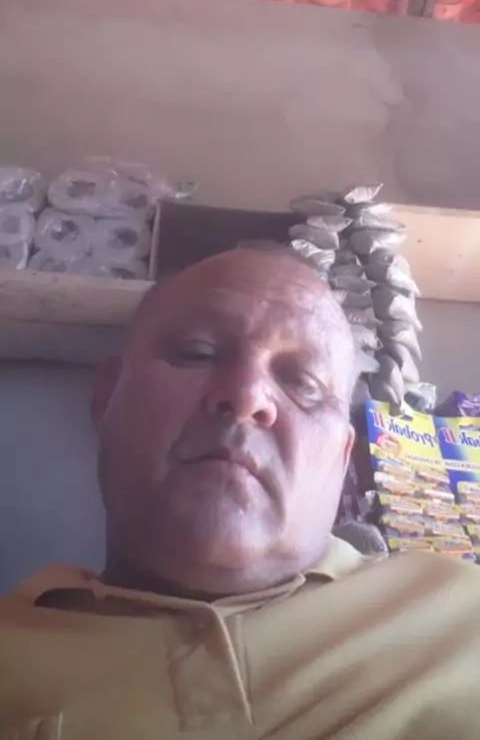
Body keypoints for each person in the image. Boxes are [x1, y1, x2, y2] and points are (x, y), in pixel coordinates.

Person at [0, 247, 479, 740]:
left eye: (304, 383)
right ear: (107, 399)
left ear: (342, 457)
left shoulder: (465, 616)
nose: (247, 396)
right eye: (198, 353)